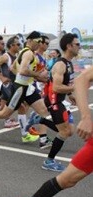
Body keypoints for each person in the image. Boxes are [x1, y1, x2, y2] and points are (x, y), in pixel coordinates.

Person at [8, 64, 92, 197]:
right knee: (67, 180)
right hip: (53, 103)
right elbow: (81, 80)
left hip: (56, 103)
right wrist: (85, 117)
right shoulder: (60, 64)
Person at [26, 33, 80, 171]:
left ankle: (40, 119)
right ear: (69, 46)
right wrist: (76, 87)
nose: (79, 47)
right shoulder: (60, 65)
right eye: (77, 44)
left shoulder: (69, 64)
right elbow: (56, 87)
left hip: (60, 100)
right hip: (54, 101)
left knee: (69, 130)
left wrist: (69, 94)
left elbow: (63, 84)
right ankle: (49, 161)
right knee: (65, 131)